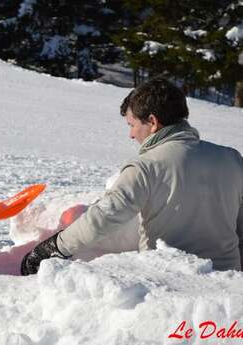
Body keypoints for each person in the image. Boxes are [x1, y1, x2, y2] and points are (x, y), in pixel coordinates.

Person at [21, 77, 243, 275]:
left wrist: (53, 247)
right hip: (227, 285)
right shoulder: (231, 159)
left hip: (174, 281)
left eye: (132, 124)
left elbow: (104, 217)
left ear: (153, 122)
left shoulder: (146, 166)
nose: (131, 134)